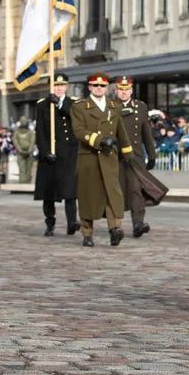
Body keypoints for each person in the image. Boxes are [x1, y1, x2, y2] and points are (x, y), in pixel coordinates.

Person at [70, 72, 135, 247]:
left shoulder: (114, 106)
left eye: (103, 86)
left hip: (109, 157)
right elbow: (79, 131)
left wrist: (128, 153)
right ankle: (87, 233)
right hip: (89, 158)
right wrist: (99, 141)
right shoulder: (80, 106)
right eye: (95, 85)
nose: (99, 88)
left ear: (107, 88)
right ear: (89, 87)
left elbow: (121, 130)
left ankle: (115, 229)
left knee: (111, 194)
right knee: (87, 196)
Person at [34, 74, 80, 237]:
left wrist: (59, 104)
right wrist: (46, 152)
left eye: (62, 85)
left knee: (70, 192)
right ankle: (50, 222)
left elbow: (75, 118)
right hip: (51, 155)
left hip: (68, 154)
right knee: (49, 193)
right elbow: (39, 132)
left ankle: (72, 222)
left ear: (66, 87)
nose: (58, 88)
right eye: (55, 85)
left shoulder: (73, 103)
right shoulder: (42, 105)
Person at [113, 76, 157, 237]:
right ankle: (115, 225)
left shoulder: (140, 106)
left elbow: (147, 133)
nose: (124, 93)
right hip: (115, 155)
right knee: (117, 191)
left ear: (131, 90)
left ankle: (138, 223)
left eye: (127, 90)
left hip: (136, 155)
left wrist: (152, 155)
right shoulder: (110, 106)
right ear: (116, 90)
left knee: (136, 189)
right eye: (121, 89)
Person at [13, 115, 36, 184]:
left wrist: (29, 150)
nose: (23, 122)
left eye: (24, 121)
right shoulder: (17, 132)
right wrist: (20, 150)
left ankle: (27, 182)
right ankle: (22, 182)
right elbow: (15, 141)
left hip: (29, 152)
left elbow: (32, 141)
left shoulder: (30, 132)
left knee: (29, 168)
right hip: (20, 153)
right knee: (22, 169)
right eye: (22, 121)